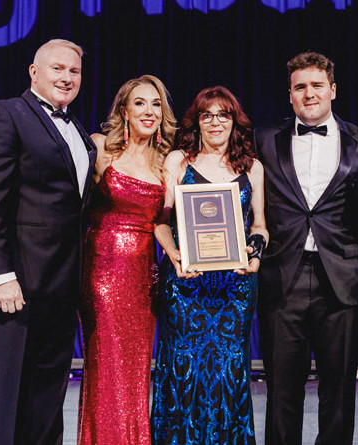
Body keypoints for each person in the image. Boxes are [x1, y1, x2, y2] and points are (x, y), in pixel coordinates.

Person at [0, 39, 96, 444]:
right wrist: (0, 274)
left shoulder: (77, 127)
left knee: (47, 396)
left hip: (61, 287)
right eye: (57, 68)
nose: (66, 77)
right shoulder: (6, 114)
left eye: (74, 71)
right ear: (33, 71)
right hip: (16, 285)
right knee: (9, 398)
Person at [255, 51, 358, 445]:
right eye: (300, 87)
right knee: (281, 390)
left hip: (343, 280)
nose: (309, 94)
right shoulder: (262, 141)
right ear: (290, 94)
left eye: (317, 86)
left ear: (333, 90)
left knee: (339, 390)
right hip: (281, 278)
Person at [151, 86, 268, 444]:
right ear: (197, 122)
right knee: (183, 373)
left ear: (235, 122)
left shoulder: (252, 168)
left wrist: (255, 255)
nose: (215, 122)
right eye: (207, 115)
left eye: (223, 115)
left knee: (229, 375)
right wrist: (175, 256)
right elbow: (160, 222)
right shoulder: (178, 162)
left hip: (234, 289)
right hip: (186, 286)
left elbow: (259, 224)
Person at [77, 74, 175, 444]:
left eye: (155, 104)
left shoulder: (169, 160)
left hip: (143, 278)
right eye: (140, 103)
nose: (148, 111)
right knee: (106, 367)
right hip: (101, 275)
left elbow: (170, 220)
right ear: (125, 110)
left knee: (135, 371)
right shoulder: (101, 148)